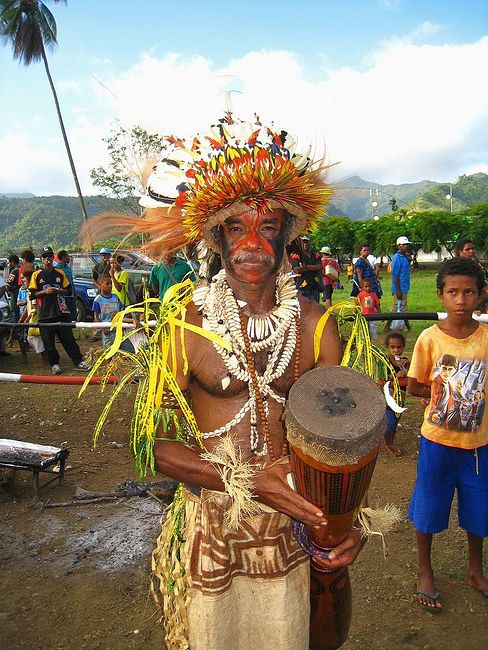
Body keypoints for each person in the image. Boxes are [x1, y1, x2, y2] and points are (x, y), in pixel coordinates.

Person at [85, 114, 365, 649]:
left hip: (296, 522)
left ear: (287, 237)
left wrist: (345, 526)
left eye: (268, 226)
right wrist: (240, 482)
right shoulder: (185, 326)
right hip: (215, 524)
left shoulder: (318, 326)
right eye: (237, 227)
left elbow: (340, 444)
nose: (252, 243)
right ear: (215, 238)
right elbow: (153, 446)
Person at [407, 257, 488, 611]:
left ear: (481, 295)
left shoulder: (486, 339)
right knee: (428, 506)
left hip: (478, 446)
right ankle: (425, 571)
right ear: (440, 295)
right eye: (453, 292)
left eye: (469, 292)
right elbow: (413, 386)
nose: (461, 300)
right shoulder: (429, 339)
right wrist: (440, 394)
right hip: (437, 443)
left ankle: (475, 569)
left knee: (479, 510)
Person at [29, 246, 89, 375]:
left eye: (50, 256)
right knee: (48, 342)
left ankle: (78, 361)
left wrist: (58, 290)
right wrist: (45, 291)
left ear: (52, 257)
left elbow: (67, 289)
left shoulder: (60, 273)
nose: (47, 259)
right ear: (41, 259)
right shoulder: (36, 275)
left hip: (62, 311)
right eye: (45, 257)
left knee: (69, 339)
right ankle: (55, 364)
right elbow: (32, 295)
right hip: (45, 313)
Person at [383, 332, 410, 456]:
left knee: (395, 421)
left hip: (400, 398)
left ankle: (390, 441)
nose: (396, 350)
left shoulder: (405, 362)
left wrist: (407, 368)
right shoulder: (384, 362)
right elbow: (381, 378)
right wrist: (395, 377)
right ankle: (387, 442)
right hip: (387, 398)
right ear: (387, 347)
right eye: (392, 347)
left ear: (403, 347)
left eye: (399, 347)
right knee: (389, 423)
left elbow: (411, 377)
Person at [92, 275, 135, 352]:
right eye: (107, 284)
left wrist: (124, 322)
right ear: (100, 285)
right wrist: (103, 329)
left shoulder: (115, 297)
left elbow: (121, 312)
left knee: (129, 350)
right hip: (108, 331)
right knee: (109, 352)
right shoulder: (98, 300)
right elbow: (96, 317)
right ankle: (109, 364)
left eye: (111, 283)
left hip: (118, 329)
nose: (110, 286)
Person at [386, 236, 411, 332]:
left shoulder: (405, 257)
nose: (405, 246)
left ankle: (390, 326)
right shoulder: (396, 258)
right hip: (399, 288)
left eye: (406, 245)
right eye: (403, 245)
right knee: (400, 308)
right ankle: (408, 328)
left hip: (404, 286)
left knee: (400, 307)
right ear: (398, 246)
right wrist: (398, 290)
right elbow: (395, 275)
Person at [290, 235, 323, 302]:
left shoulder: (316, 255)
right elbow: (296, 269)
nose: (305, 244)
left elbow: (319, 267)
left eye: (306, 242)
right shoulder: (297, 255)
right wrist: (312, 267)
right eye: (303, 242)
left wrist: (306, 267)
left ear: (310, 243)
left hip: (314, 286)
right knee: (302, 308)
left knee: (315, 307)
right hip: (301, 286)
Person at [54, 250, 77, 320]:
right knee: (65, 314)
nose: (69, 258)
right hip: (63, 295)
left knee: (73, 314)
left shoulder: (68, 268)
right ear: (63, 257)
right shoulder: (57, 268)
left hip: (71, 295)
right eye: (67, 256)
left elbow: (71, 282)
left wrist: (74, 293)